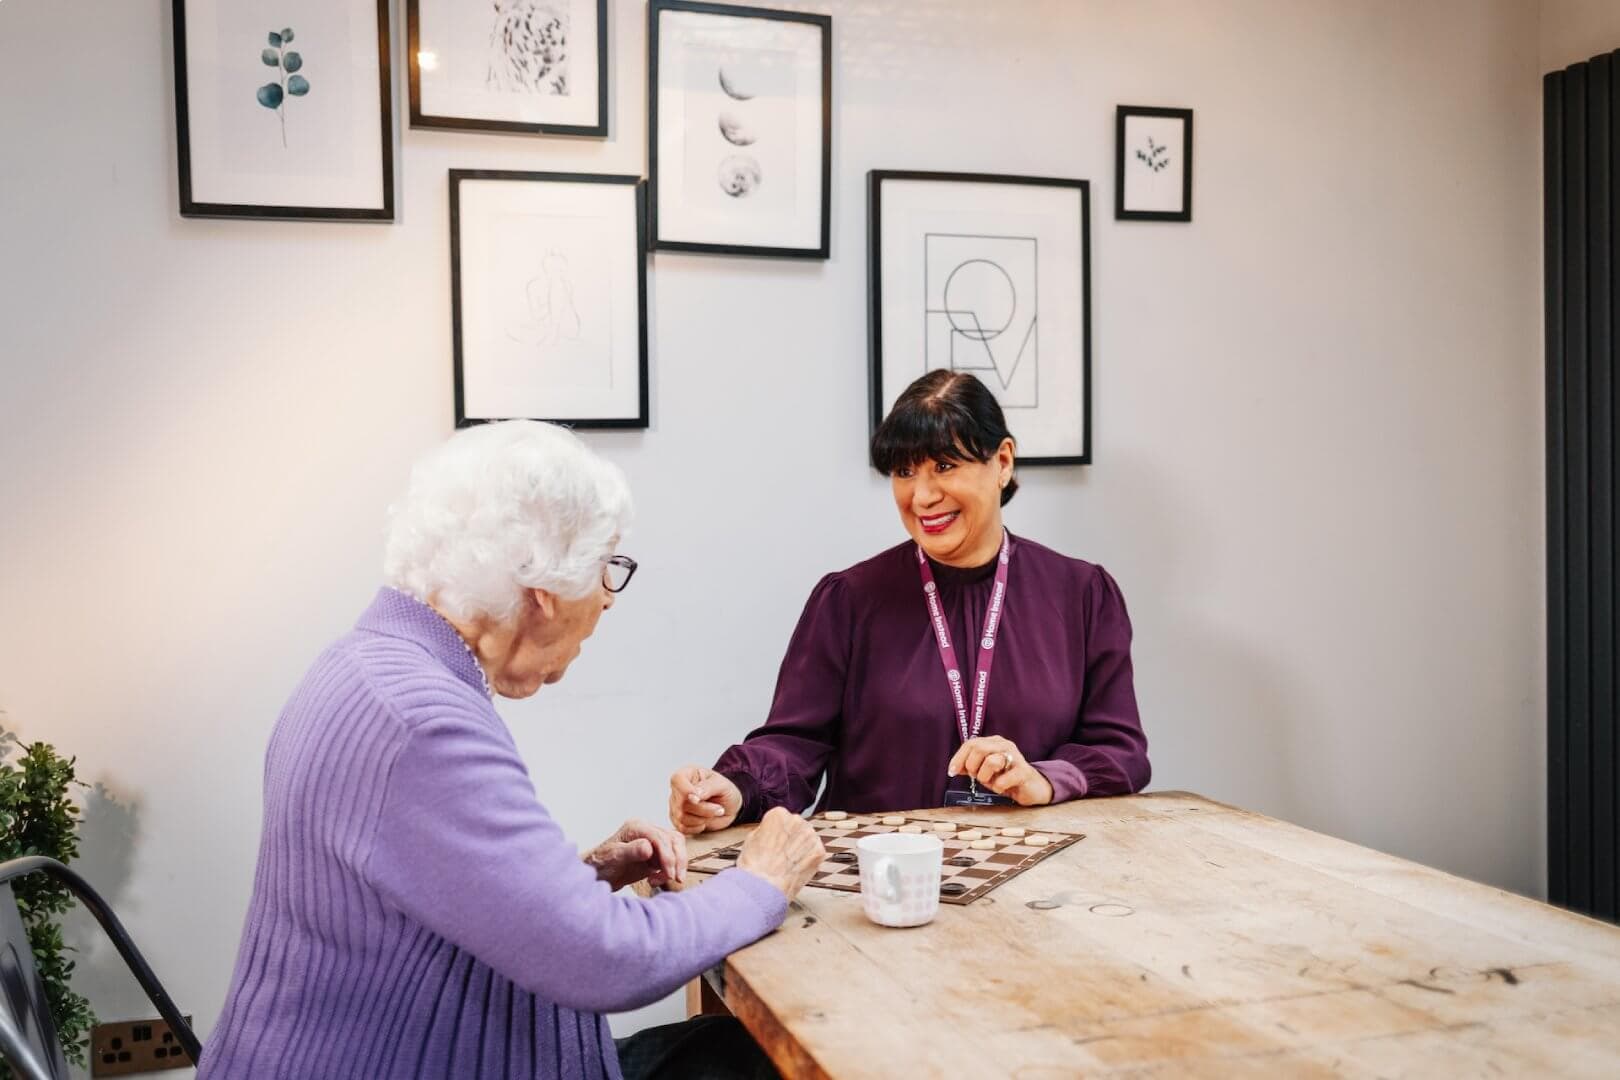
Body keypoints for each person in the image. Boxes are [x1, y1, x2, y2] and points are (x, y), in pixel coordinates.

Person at [200, 421, 823, 1080]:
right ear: (544, 589)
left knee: (726, 1052)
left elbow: (434, 891)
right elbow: (607, 960)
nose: (608, 601)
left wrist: (584, 877)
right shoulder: (423, 724)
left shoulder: (368, 666)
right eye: (606, 567)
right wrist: (762, 883)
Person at [670, 370, 1150, 836]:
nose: (922, 496)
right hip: (877, 883)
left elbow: (1120, 752)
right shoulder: (849, 600)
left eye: (944, 466)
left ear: (1003, 462)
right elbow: (795, 743)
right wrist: (735, 787)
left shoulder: (1083, 594)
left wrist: (1044, 779)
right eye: (904, 471)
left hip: (1039, 885)